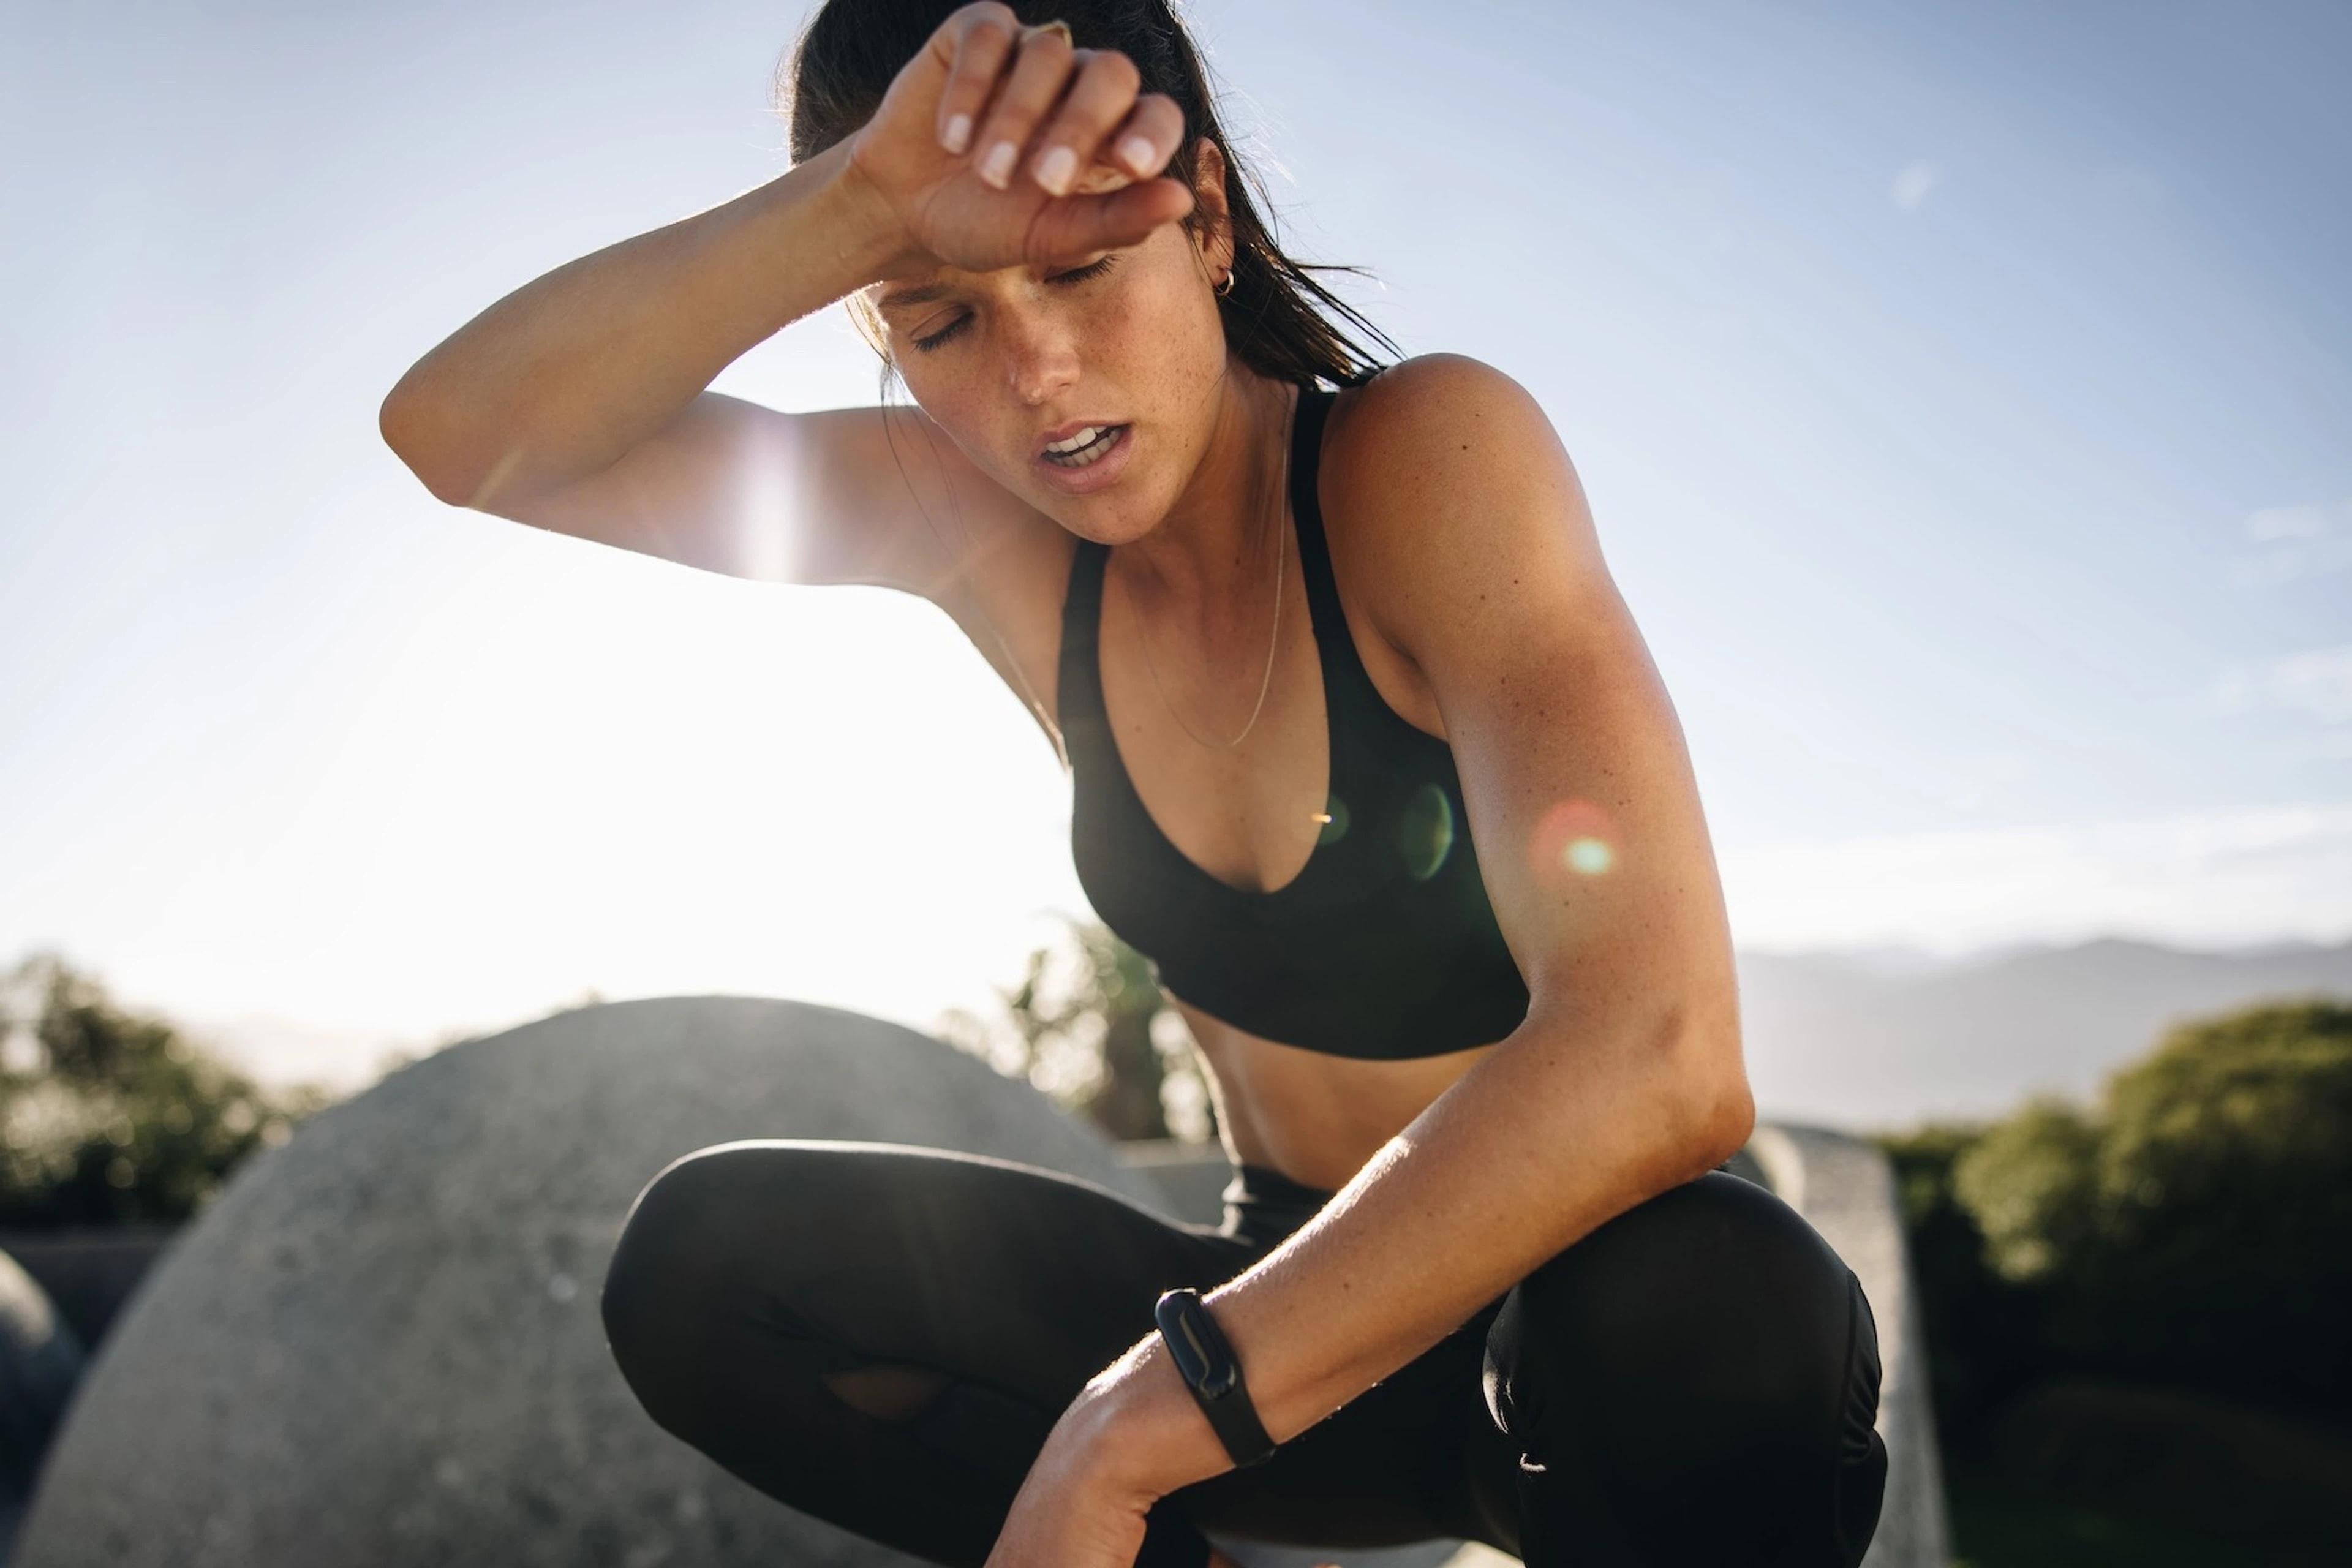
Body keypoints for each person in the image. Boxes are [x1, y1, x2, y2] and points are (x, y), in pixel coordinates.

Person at [379, 2, 1888, 1564]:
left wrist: (1131, 1429)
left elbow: (1663, 1055)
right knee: (707, 1265)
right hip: (1278, 1319)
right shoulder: (973, 527)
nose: (1038, 374)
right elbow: (464, 437)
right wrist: (856, 206)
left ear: (1207, 220)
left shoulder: (1425, 461)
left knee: (1722, 1292)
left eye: (1083, 267)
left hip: (1569, 1364)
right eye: (938, 322)